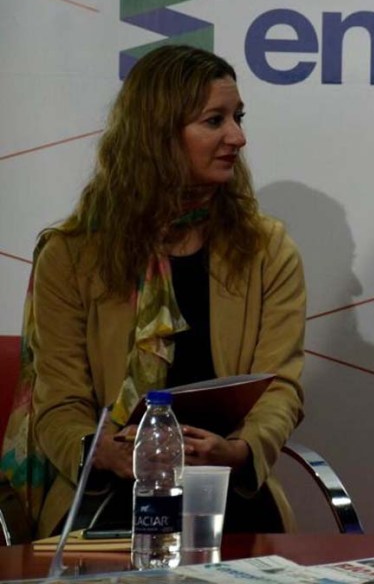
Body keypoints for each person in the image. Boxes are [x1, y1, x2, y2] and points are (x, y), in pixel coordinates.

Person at [0, 45, 306, 539]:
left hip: (224, 489)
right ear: (157, 135)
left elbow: (280, 388)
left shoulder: (267, 249)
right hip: (107, 493)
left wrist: (239, 450)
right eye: (215, 120)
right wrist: (105, 451)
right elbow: (58, 404)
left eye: (238, 117)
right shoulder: (71, 254)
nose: (238, 137)